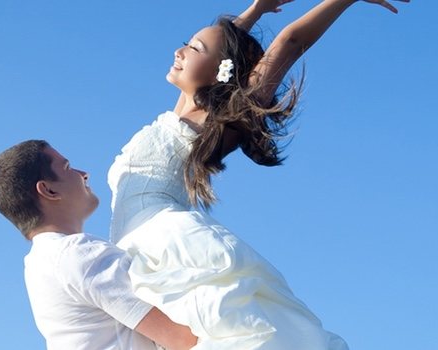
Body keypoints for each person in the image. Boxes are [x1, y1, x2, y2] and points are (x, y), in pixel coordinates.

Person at [107, 0, 408, 349]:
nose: (180, 51)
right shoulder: (177, 115)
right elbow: (225, 46)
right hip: (142, 249)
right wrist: (256, 9)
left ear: (220, 69)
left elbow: (290, 42)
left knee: (235, 331)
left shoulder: (218, 124)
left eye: (193, 48)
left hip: (167, 241)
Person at [0, 140, 197, 350]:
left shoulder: (39, 263)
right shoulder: (78, 253)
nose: (83, 173)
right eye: (67, 167)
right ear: (49, 190)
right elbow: (184, 339)